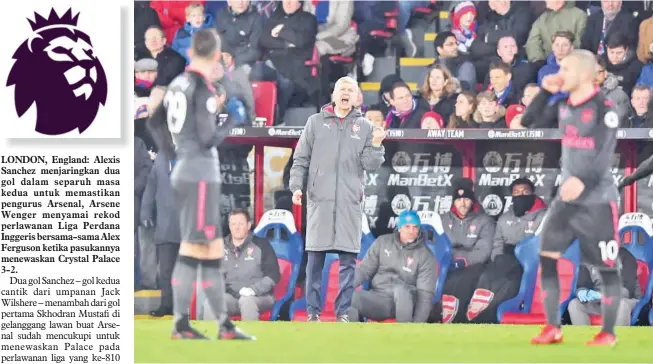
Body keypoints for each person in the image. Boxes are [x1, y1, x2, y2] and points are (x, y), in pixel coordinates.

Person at [146, 28, 254, 340]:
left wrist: (172, 152)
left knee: (207, 249)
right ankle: (185, 324)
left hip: (185, 170)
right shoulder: (202, 87)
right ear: (216, 54)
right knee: (197, 248)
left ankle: (222, 324)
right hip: (200, 173)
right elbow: (208, 138)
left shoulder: (178, 83)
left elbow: (154, 121)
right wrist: (231, 120)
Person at [522, 49, 622, 346]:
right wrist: (544, 91)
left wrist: (583, 180)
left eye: (565, 69)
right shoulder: (564, 105)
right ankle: (553, 327)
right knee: (547, 257)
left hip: (597, 199)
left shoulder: (606, 107)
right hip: (566, 200)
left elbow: (605, 153)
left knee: (605, 267)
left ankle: (608, 332)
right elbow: (528, 122)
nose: (559, 73)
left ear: (585, 74)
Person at [289, 76, 386, 322]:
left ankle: (343, 312)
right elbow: (300, 159)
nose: (345, 93)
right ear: (334, 94)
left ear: (356, 98)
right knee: (314, 261)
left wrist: (376, 144)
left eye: (350, 90)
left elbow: (370, 165)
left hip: (349, 203)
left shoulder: (364, 127)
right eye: (341, 88)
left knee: (348, 263)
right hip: (319, 202)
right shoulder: (314, 123)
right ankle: (313, 313)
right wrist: (296, 187)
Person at [348, 210, 437, 323]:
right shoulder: (382, 242)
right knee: (350, 297)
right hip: (380, 297)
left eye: (415, 227)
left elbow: (425, 296)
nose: (411, 231)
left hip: (407, 301)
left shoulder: (426, 256)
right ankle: (354, 337)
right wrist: (347, 287)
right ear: (399, 228)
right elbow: (364, 269)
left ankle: (403, 335)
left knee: (401, 291)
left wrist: (416, 327)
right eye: (407, 227)